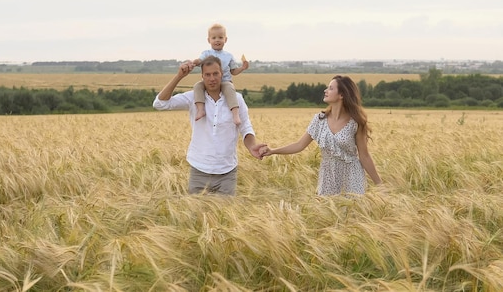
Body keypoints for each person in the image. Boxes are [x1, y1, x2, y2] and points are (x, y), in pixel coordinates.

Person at [153, 55, 264, 196]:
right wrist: (179, 76)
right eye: (207, 74)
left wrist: (252, 146)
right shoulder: (193, 97)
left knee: (225, 215)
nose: (212, 78)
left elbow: (245, 127)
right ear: (202, 76)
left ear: (222, 74)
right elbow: (160, 104)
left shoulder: (237, 99)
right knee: (197, 215)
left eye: (215, 74)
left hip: (227, 171)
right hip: (199, 170)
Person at [260, 75, 383, 196]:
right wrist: (273, 151)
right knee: (329, 213)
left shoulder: (355, 122)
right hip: (328, 177)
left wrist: (380, 185)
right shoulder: (319, 120)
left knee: (352, 213)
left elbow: (364, 156)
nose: (325, 90)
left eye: (330, 88)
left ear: (341, 95)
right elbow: (299, 145)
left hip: (352, 177)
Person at [191, 23, 249, 125]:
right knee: (197, 86)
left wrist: (242, 68)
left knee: (230, 89)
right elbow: (199, 61)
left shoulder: (229, 56)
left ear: (225, 40)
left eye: (220, 37)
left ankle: (235, 114)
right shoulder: (206, 53)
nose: (217, 40)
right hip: (209, 82)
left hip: (225, 81)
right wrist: (193, 62)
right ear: (209, 40)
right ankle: (200, 109)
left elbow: (233, 71)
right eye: (214, 38)